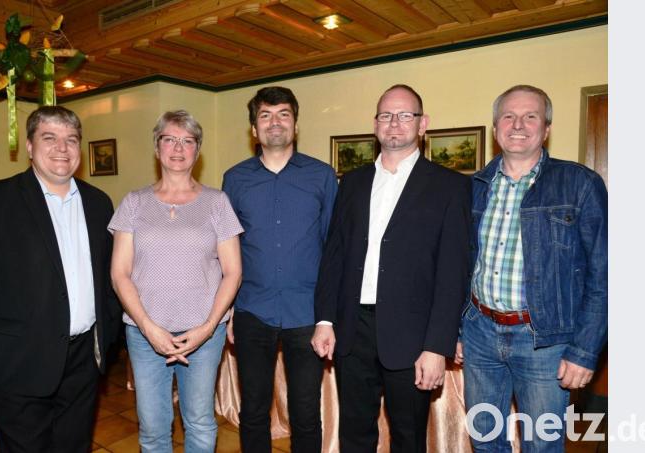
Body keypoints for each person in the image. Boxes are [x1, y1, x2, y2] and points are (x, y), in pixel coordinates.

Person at [0, 105, 121, 452]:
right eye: (49, 138)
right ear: (29, 146)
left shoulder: (99, 202)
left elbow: (107, 278)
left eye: (71, 139)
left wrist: (108, 336)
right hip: (19, 359)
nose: (62, 148)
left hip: (83, 360)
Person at [312, 84, 472, 453]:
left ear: (422, 124)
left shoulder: (450, 187)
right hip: (352, 331)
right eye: (386, 115)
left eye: (404, 115)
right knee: (354, 434)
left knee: (408, 437)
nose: (394, 123)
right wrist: (325, 319)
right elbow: (334, 256)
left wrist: (437, 346)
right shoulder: (352, 183)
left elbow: (453, 273)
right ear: (375, 125)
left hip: (413, 337)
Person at [454, 85, 608, 451]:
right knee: (485, 441)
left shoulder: (580, 184)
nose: (518, 125)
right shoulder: (472, 187)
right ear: (496, 128)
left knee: (542, 444)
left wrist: (584, 350)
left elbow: (605, 275)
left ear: (547, 128)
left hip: (546, 341)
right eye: (508, 116)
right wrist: (456, 329)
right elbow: (459, 264)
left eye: (530, 116)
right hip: (479, 333)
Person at [109, 110, 243, 453]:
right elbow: (120, 273)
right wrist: (148, 328)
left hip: (204, 333)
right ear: (157, 148)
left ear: (198, 150)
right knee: (153, 427)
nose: (178, 148)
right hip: (144, 333)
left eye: (187, 141)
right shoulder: (134, 203)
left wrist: (208, 327)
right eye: (169, 139)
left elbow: (233, 271)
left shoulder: (217, 202)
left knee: (199, 421)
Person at [222, 86, 338, 453]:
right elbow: (227, 249)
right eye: (266, 116)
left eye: (284, 114)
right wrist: (228, 309)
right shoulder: (234, 179)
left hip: (307, 312)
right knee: (254, 410)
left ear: (296, 125)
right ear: (254, 129)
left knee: (305, 412)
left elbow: (333, 248)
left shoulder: (322, 176)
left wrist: (329, 316)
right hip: (251, 310)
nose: (275, 122)